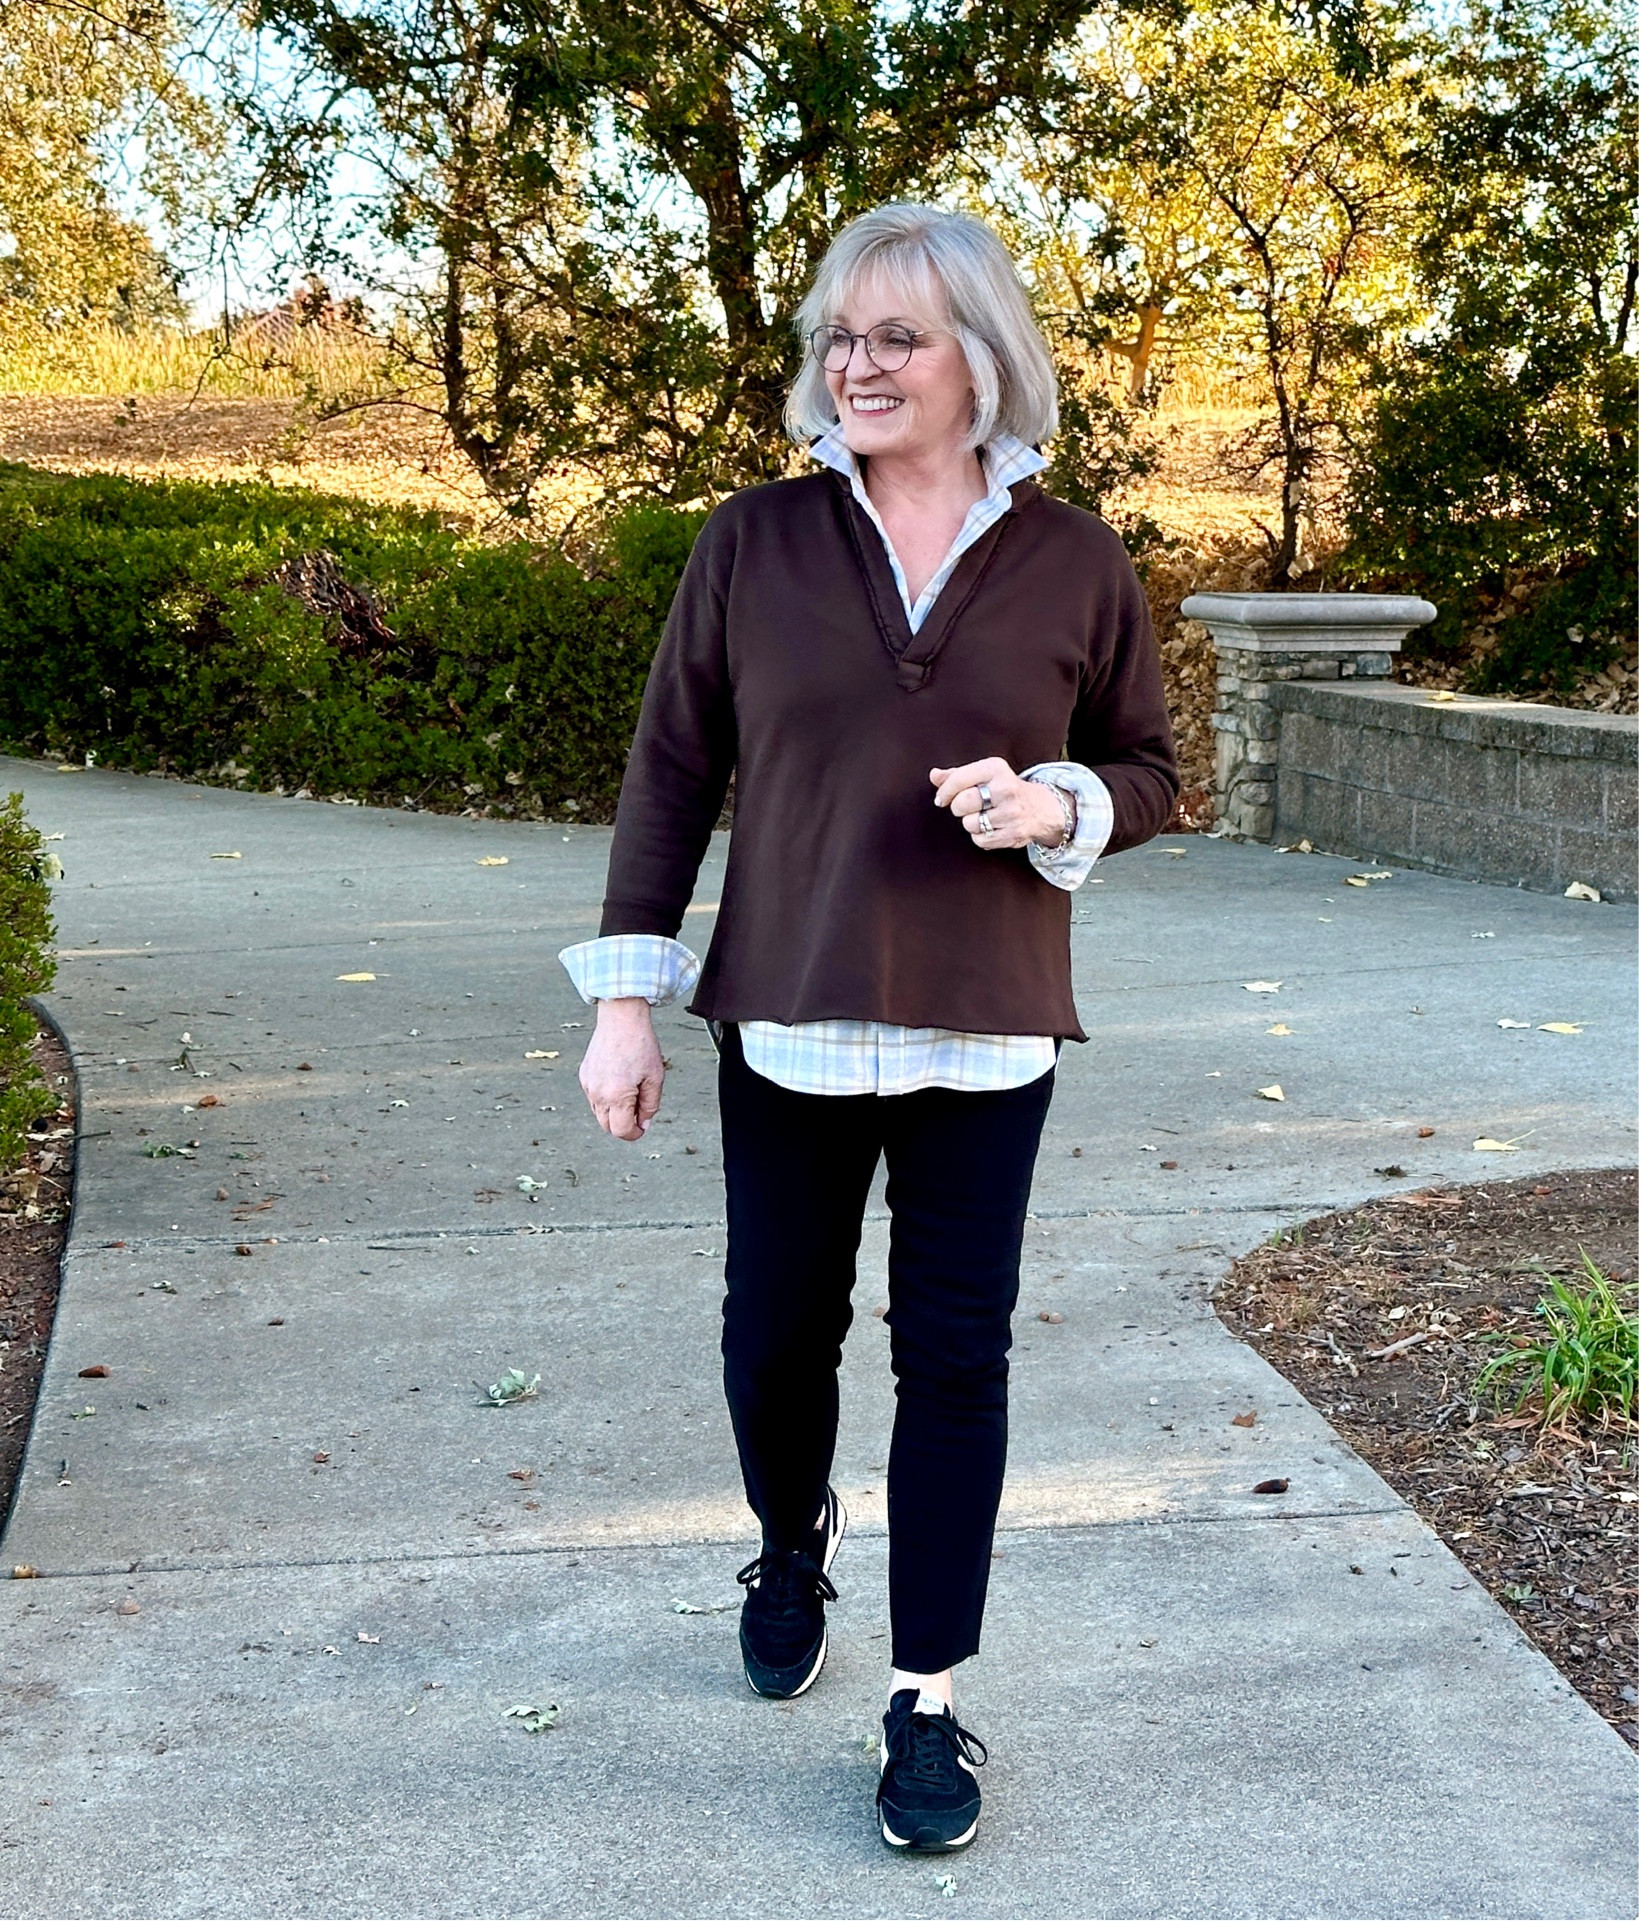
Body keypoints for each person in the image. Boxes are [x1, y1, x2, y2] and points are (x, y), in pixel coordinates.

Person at [561, 201, 1178, 1853]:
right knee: (776, 1331)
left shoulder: (1077, 561)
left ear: (982, 359)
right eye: (842, 333)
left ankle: (928, 1699)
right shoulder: (753, 541)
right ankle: (789, 1536)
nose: (857, 360)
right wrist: (626, 1001)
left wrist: (1053, 803)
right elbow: (671, 774)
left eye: (897, 335)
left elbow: (1153, 770)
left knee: (953, 1356)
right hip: (794, 1015)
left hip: (991, 1028)